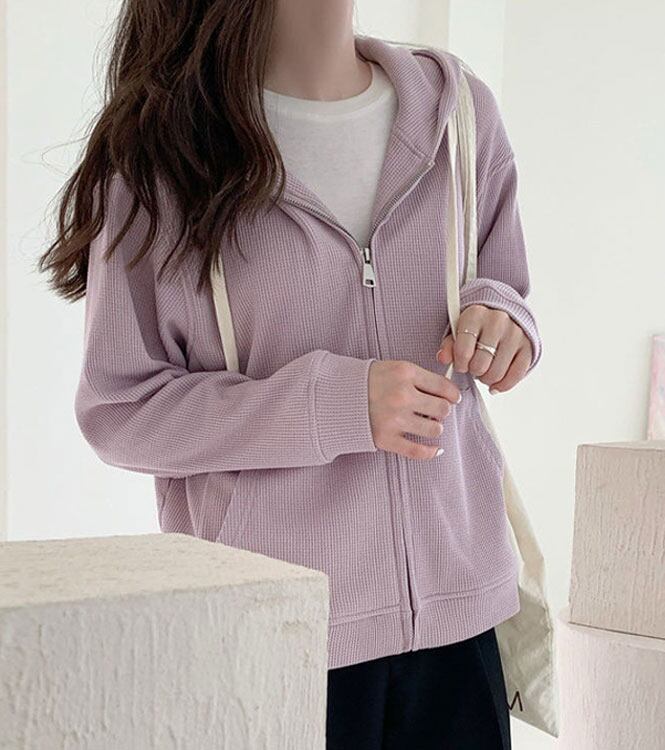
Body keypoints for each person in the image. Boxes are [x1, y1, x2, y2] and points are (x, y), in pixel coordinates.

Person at [38, 1, 542, 747]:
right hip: (275, 629)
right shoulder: (165, 155)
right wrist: (331, 405)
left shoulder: (459, 112)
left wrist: (505, 321)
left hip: (460, 620)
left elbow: (503, 285)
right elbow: (122, 408)